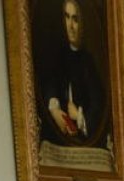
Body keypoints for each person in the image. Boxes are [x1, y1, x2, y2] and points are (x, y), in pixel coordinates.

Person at [39, 0, 106, 147]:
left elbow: (97, 104)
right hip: (58, 139)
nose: (70, 26)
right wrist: (55, 109)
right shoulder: (58, 55)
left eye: (75, 19)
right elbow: (50, 83)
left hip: (83, 142)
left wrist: (79, 116)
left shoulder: (88, 63)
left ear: (82, 23)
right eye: (67, 17)